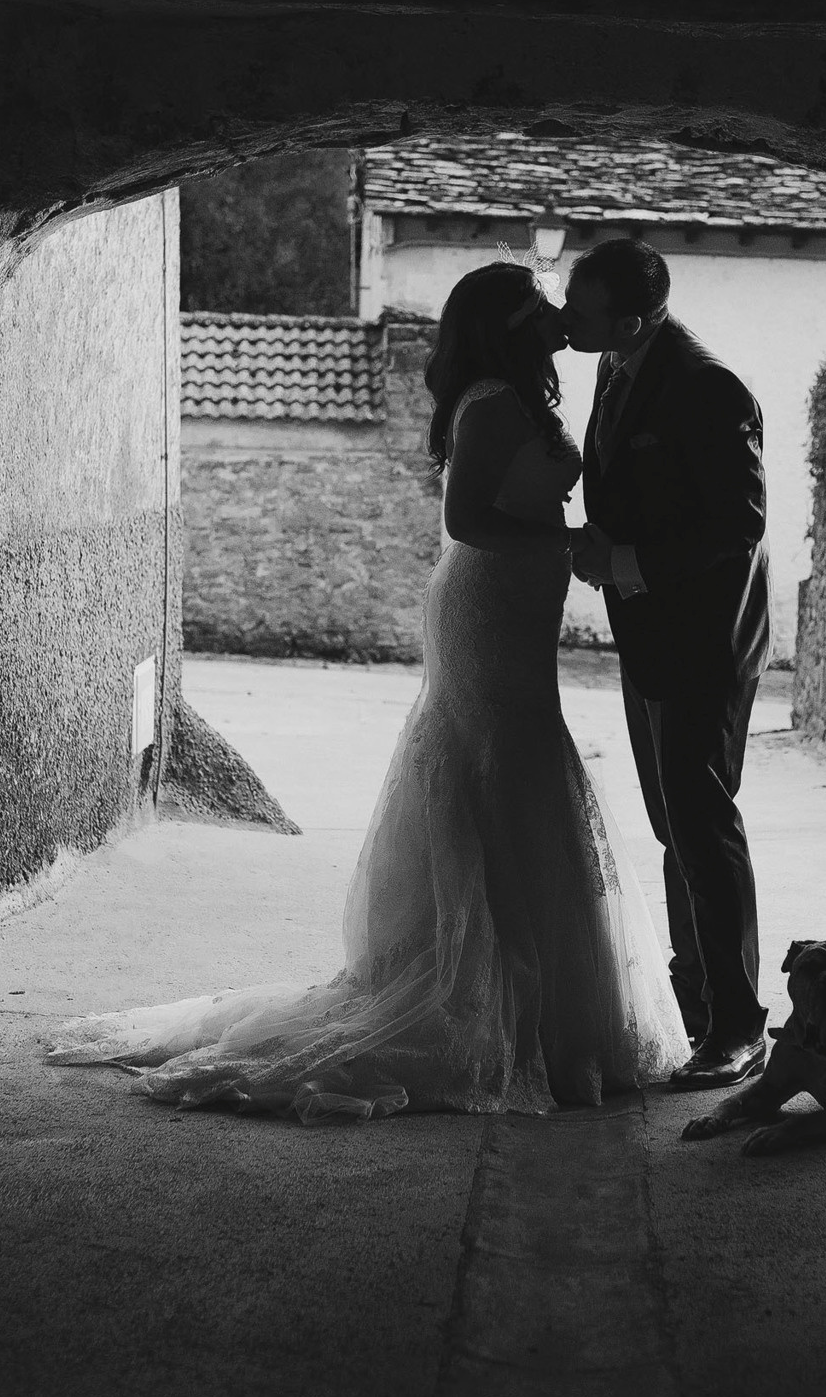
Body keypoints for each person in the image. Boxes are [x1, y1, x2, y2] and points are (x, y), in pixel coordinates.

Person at [44, 261, 686, 1119]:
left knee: (524, 763)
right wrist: (562, 540)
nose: (554, 316)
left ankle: (532, 1000)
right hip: (488, 603)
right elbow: (466, 520)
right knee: (502, 759)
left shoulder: (529, 392)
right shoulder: (492, 399)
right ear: (509, 326)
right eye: (539, 307)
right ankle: (479, 992)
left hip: (518, 602)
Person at [565, 237, 774, 1090]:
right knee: (671, 825)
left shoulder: (708, 386)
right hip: (647, 635)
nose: (565, 315)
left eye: (580, 304)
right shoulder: (615, 366)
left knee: (702, 819)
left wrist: (627, 563)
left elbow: (742, 523)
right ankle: (700, 1009)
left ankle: (739, 1027)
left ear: (633, 315)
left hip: (705, 639)